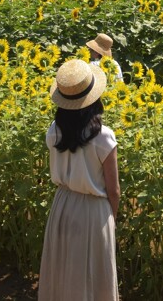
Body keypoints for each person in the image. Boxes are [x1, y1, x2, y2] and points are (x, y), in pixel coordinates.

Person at [39, 59, 120, 301]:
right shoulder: (103, 137)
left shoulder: (54, 130)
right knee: (93, 278)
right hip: (93, 211)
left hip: (62, 205)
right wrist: (112, 217)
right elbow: (114, 189)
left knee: (63, 273)